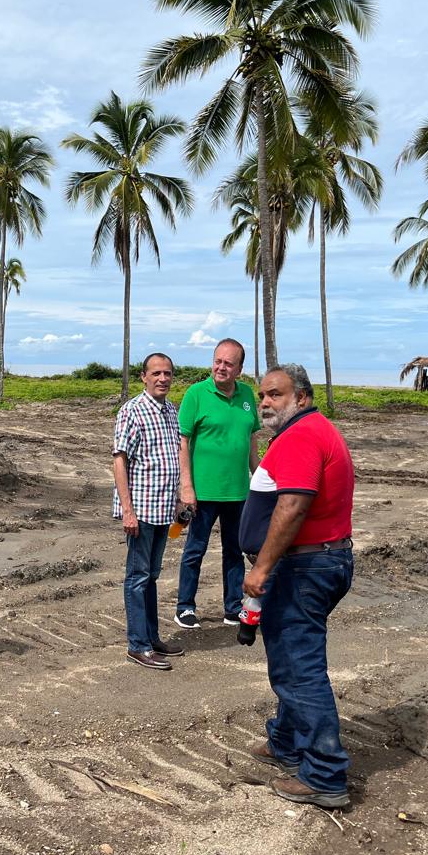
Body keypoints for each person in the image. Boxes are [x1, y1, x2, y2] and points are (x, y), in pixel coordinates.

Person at [239, 363, 355, 810]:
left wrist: (262, 567)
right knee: (289, 658)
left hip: (304, 566)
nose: (265, 402)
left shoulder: (303, 436)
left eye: (275, 395)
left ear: (301, 399)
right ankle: (286, 741)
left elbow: (293, 504)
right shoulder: (313, 431)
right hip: (319, 560)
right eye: (262, 395)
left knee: (299, 669)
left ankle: (325, 774)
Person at [174, 338, 260, 629]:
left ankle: (232, 608)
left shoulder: (248, 395)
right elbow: (182, 442)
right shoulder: (196, 394)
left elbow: (250, 440)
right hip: (203, 491)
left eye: (228, 363)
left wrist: (258, 478)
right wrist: (187, 487)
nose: (221, 368)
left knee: (234, 551)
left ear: (239, 369)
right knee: (194, 550)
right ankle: (185, 607)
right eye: (217, 361)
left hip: (238, 492)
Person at [112, 353, 186, 670]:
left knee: (152, 576)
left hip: (163, 509)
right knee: (137, 578)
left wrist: (182, 499)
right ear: (144, 376)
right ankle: (137, 645)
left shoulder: (172, 410)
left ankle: (152, 638)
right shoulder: (131, 411)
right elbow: (120, 461)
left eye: (167, 373)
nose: (162, 378)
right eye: (156, 373)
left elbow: (175, 459)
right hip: (140, 510)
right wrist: (127, 511)